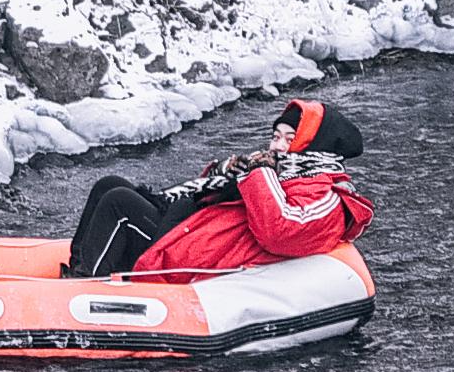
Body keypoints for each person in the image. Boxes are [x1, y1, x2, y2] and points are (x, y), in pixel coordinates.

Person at [62, 98, 372, 282]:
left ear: (311, 148)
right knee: (110, 185)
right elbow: (215, 196)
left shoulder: (327, 199)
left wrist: (257, 173)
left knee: (119, 204)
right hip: (188, 227)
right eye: (275, 136)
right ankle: (78, 269)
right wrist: (225, 172)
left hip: (193, 252)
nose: (275, 145)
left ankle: (87, 287)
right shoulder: (282, 173)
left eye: (287, 139)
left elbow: (281, 230)